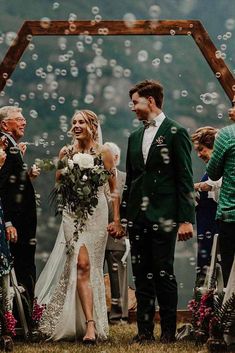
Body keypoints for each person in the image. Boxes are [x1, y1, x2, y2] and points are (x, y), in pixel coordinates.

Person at [35, 110, 122, 343]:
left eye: (81, 122)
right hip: (72, 214)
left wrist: (116, 220)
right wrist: (71, 184)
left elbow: (113, 190)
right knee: (79, 264)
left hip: (96, 213)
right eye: (73, 122)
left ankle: (89, 323)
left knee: (87, 266)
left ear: (92, 125)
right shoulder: (66, 152)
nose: (76, 125)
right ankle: (88, 325)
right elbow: (58, 185)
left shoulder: (104, 153)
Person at [119, 80, 195, 343]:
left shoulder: (176, 131)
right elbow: (131, 180)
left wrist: (186, 219)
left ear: (150, 101)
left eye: (136, 102)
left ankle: (169, 333)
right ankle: (143, 331)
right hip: (138, 218)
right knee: (141, 274)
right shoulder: (134, 136)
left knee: (163, 271)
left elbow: (185, 177)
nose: (133, 108)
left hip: (165, 215)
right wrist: (124, 216)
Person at [0, 106, 40, 311]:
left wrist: (27, 175)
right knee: (22, 266)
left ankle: (22, 315)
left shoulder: (11, 145)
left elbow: (12, 182)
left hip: (20, 220)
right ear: (5, 124)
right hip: (16, 222)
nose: (24, 121)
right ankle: (21, 317)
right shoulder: (4, 145)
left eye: (24, 118)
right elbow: (2, 187)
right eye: (18, 118)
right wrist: (7, 222)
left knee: (23, 265)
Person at [207, 100, 235, 287]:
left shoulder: (226, 135)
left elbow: (214, 172)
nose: (230, 109)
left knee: (230, 274)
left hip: (230, 215)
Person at [191, 127, 222, 285]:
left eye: (201, 149)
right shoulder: (211, 169)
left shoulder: (222, 168)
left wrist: (190, 186)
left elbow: (213, 185)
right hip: (205, 232)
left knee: (216, 271)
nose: (199, 154)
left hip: (216, 231)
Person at [103, 142, 129, 324]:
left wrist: (123, 228)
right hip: (95, 232)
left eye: (107, 158)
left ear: (116, 158)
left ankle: (119, 316)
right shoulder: (92, 178)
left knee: (117, 277)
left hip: (117, 235)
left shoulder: (126, 179)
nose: (103, 162)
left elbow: (130, 207)